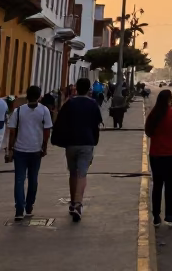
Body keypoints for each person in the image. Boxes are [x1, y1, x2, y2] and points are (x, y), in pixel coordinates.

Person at [53, 77, 103, 222]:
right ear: (89, 89)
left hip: (71, 143)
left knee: (73, 173)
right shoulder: (93, 104)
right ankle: (78, 204)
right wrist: (94, 140)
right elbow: (96, 124)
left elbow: (60, 122)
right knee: (82, 174)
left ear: (76, 88)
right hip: (87, 143)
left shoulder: (69, 103)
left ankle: (72, 203)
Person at [7, 85, 52, 221]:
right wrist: (44, 147)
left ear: (27, 95)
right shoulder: (44, 111)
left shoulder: (18, 111)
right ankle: (29, 206)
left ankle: (19, 210)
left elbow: (12, 131)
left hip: (20, 150)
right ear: (39, 96)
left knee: (19, 180)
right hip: (36, 150)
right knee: (33, 179)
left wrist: (10, 148)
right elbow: (46, 131)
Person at [145, 89, 172, 227]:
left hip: (155, 154)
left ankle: (156, 216)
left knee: (157, 184)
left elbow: (148, 131)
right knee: (169, 185)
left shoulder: (153, 115)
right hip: (171, 154)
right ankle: (169, 215)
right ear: (169, 100)